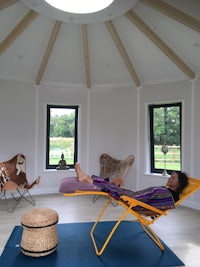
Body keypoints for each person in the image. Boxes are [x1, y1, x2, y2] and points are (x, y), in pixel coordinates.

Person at [75, 163, 188, 210]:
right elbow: (149, 196)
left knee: (112, 187)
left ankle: (86, 178)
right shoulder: (167, 192)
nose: (169, 178)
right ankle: (86, 178)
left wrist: (128, 197)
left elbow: (148, 199)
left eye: (173, 178)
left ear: (179, 184)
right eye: (170, 176)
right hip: (135, 198)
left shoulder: (166, 194)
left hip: (135, 201)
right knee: (112, 186)